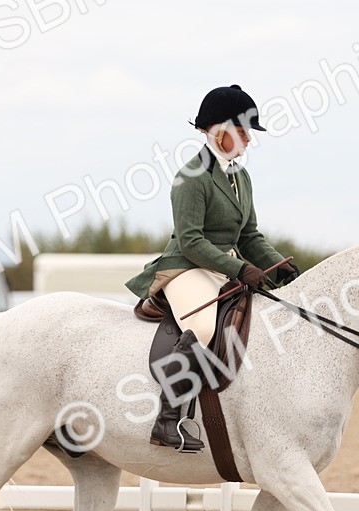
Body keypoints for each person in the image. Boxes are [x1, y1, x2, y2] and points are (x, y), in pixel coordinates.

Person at [126, 84, 298, 453]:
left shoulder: (240, 176)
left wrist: (278, 266)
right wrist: (240, 269)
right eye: (243, 131)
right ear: (219, 131)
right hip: (186, 267)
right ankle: (167, 420)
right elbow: (191, 241)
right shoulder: (191, 177)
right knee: (202, 327)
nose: (249, 139)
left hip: (222, 267)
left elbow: (250, 235)